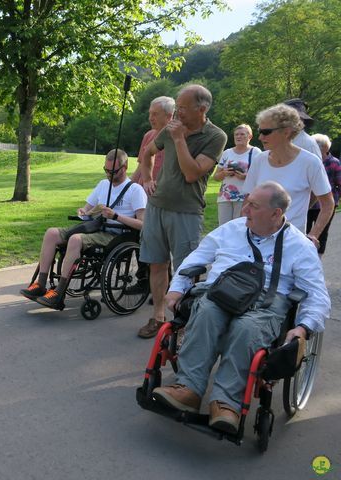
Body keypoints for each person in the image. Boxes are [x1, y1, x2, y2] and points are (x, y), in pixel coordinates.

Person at [153, 182, 330, 434]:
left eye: (253, 206)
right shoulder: (231, 230)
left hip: (267, 301)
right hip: (220, 291)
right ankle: (188, 389)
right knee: (205, 313)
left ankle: (226, 403)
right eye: (246, 202)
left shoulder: (299, 246)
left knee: (245, 329)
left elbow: (317, 295)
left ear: (275, 214)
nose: (244, 209)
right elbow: (196, 258)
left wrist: (303, 327)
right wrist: (177, 286)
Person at [137, 84, 227, 338]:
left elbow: (192, 173)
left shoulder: (215, 136)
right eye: (177, 107)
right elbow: (148, 153)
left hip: (186, 211)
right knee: (156, 264)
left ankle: (183, 320)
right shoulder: (170, 129)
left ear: (202, 109)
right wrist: (146, 179)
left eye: (183, 108)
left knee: (186, 269)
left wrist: (178, 140)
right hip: (157, 207)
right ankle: (157, 316)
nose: (178, 113)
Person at [20, 149, 147, 309]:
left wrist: (115, 216)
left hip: (116, 235)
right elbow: (87, 210)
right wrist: (83, 212)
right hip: (95, 228)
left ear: (125, 166)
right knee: (51, 233)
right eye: (106, 170)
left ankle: (59, 294)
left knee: (75, 239)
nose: (109, 174)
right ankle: (40, 284)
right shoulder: (103, 184)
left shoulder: (135, 190)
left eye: (113, 171)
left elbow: (143, 224)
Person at [242, 104, 334, 245]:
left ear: (286, 132)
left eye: (266, 132)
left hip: (291, 242)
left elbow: (328, 204)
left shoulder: (310, 162)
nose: (260, 137)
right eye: (260, 131)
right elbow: (247, 201)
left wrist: (312, 236)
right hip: (256, 239)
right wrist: (242, 233)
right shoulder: (259, 160)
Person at [213, 124, 261, 225]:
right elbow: (216, 177)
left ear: (250, 137)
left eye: (242, 134)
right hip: (225, 197)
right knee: (224, 227)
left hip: (245, 197)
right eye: (236, 134)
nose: (238, 137)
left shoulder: (256, 152)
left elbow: (262, 176)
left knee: (240, 227)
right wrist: (224, 173)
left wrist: (245, 177)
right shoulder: (227, 153)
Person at [307, 134, 341, 255]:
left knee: (322, 233)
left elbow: (339, 183)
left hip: (325, 205)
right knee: (304, 231)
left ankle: (318, 257)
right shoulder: (309, 161)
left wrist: (336, 201)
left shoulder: (334, 163)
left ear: (325, 148)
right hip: (308, 204)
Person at [131, 96, 175, 187]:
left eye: (155, 114)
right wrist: (128, 187)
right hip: (143, 193)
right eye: (150, 113)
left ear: (169, 116)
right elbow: (140, 167)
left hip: (162, 194)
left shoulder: (178, 139)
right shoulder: (148, 135)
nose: (150, 118)